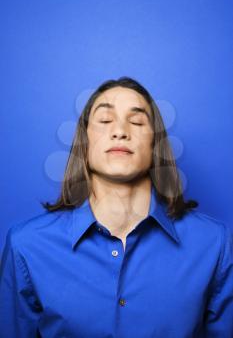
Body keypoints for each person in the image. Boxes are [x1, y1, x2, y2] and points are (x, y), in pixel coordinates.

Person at [0, 76, 232, 338]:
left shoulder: (215, 244)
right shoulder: (26, 246)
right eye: (105, 121)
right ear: (84, 143)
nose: (120, 131)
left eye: (137, 121)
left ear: (155, 144)